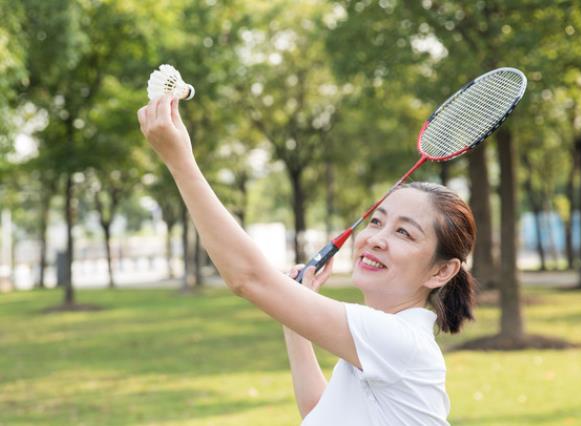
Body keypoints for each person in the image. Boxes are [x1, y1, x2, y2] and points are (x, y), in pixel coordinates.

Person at [137, 95, 477, 426]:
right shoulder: (380, 343)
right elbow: (320, 412)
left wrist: (180, 162)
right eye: (377, 221)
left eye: (404, 233)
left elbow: (248, 278)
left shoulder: (396, 341)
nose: (376, 239)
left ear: (442, 271)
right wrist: (294, 317)